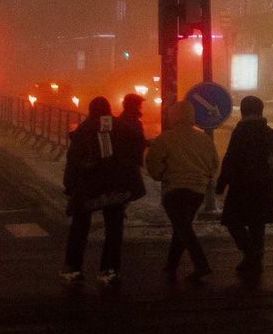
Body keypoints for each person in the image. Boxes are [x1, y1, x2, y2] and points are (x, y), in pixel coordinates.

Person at [62, 97, 144, 287]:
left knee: (80, 226)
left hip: (89, 186)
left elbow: (73, 160)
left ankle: (74, 267)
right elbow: (137, 143)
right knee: (114, 228)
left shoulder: (85, 129)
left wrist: (70, 186)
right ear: (108, 110)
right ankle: (109, 269)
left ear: (91, 111)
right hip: (116, 186)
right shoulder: (120, 126)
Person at [214, 95, 273, 283]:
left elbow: (230, 159)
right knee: (257, 224)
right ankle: (255, 259)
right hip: (264, 185)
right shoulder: (269, 132)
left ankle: (250, 254)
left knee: (232, 220)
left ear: (244, 111)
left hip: (242, 185)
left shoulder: (241, 132)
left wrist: (222, 183)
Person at [146, 96, 217, 281]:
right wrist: (205, 178)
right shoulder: (203, 139)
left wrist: (160, 176)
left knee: (184, 229)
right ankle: (171, 265)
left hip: (174, 190)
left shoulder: (165, 138)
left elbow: (153, 161)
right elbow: (214, 163)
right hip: (197, 191)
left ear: (173, 116)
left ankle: (201, 265)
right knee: (182, 227)